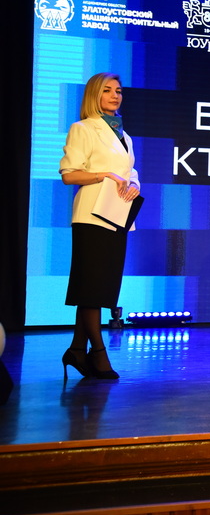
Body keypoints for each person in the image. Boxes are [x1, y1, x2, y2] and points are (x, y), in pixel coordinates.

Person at [59, 73, 141, 380]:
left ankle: (76, 349)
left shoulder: (124, 135)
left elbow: (129, 172)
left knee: (99, 288)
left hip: (117, 216)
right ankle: (98, 351)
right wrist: (105, 175)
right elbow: (69, 174)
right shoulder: (82, 128)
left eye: (118, 90)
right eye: (107, 90)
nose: (115, 95)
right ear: (95, 95)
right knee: (91, 288)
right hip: (91, 216)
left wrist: (134, 184)